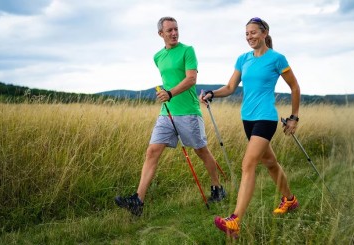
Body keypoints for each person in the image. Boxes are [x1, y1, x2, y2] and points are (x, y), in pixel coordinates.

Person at [114, 16, 226, 216]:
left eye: (176, 29)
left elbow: (191, 79)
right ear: (160, 34)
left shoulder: (187, 51)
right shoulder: (158, 57)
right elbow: (168, 80)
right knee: (152, 152)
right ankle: (138, 201)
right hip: (167, 112)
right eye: (169, 31)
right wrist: (166, 94)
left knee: (201, 151)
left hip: (189, 112)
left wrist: (171, 93)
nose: (174, 33)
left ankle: (217, 189)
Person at [200, 17, 301, 237]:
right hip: (247, 118)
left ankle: (235, 221)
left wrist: (294, 117)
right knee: (270, 163)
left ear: (265, 33)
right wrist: (212, 93)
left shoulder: (277, 58)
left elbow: (294, 87)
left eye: (253, 33)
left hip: (265, 118)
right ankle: (290, 200)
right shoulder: (243, 59)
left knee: (248, 164)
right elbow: (229, 87)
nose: (249, 37)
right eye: (247, 34)